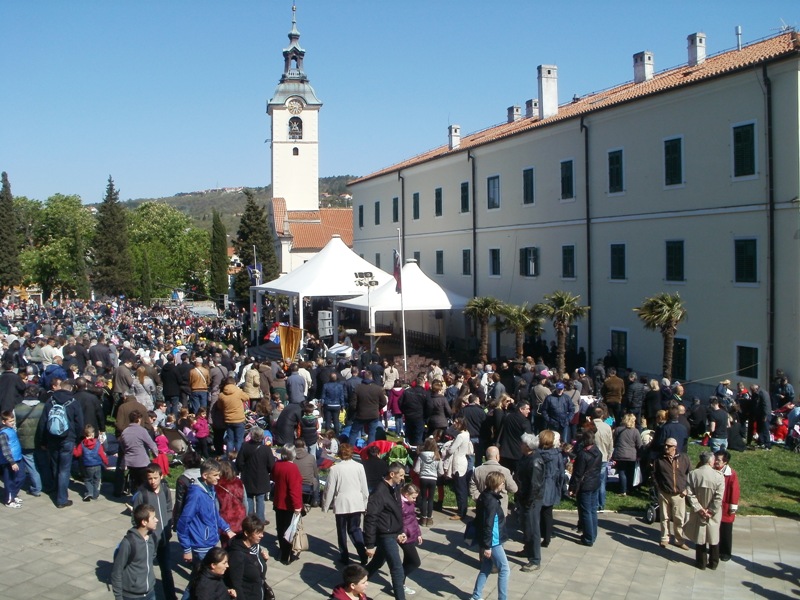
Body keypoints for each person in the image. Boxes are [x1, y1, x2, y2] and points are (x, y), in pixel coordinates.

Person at [177, 459, 235, 575]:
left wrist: (227, 529)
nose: (218, 478)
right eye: (215, 475)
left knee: (203, 578)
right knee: (202, 578)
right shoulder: (196, 495)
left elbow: (214, 514)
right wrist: (187, 549)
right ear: (205, 475)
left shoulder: (210, 489)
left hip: (211, 541)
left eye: (219, 474)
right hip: (201, 544)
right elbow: (183, 522)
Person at [132, 463, 176, 600]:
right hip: (150, 540)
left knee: (166, 570)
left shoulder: (165, 489)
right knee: (147, 570)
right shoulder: (142, 494)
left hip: (164, 538)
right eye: (150, 478)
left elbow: (169, 508)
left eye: (155, 478)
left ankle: (170, 596)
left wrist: (168, 527)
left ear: (161, 476)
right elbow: (135, 518)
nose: (153, 481)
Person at [364, 462, 408, 600]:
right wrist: (370, 544)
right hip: (385, 534)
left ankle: (351, 584)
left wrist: (400, 531)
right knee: (397, 569)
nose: (403, 478)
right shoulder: (379, 492)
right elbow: (370, 518)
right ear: (392, 474)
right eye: (401, 475)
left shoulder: (395, 487)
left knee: (377, 563)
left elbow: (397, 511)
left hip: (392, 531)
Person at [38, 379, 84, 508]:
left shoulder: (50, 401)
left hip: (52, 438)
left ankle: (56, 489)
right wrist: (77, 439)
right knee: (64, 469)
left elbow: (43, 422)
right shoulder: (74, 402)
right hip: (68, 439)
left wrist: (43, 441)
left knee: (55, 466)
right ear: (70, 389)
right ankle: (62, 499)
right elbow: (79, 423)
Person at [323, 442, 370, 565]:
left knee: (342, 530)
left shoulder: (335, 468)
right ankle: (362, 553)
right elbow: (364, 487)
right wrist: (365, 503)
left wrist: (326, 505)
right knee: (355, 529)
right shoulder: (359, 466)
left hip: (342, 503)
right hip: (356, 502)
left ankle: (344, 556)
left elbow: (330, 489)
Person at [470, 471, 510, 600]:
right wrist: (487, 546)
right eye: (502, 482)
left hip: (489, 540)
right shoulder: (491, 501)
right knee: (504, 569)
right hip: (493, 541)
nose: (504, 484)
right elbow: (489, 524)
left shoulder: (485, 495)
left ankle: (476, 596)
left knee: (486, 567)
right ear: (497, 484)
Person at [684, 451, 726, 570]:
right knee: (713, 536)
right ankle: (713, 562)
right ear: (710, 461)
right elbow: (719, 497)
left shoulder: (692, 474)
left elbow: (690, 494)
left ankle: (701, 563)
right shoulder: (718, 476)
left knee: (700, 536)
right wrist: (711, 510)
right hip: (714, 512)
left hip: (699, 511)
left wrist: (699, 509)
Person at [112, 503, 158, 600]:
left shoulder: (152, 538)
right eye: (153, 518)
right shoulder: (128, 543)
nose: (156, 520)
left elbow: (152, 556)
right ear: (144, 522)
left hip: (150, 593)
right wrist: (118, 597)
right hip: (132, 596)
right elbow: (117, 571)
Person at [652, 437, 691, 550]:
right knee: (664, 517)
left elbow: (690, 474)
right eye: (665, 445)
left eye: (668, 446)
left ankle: (679, 540)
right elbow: (654, 474)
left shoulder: (684, 458)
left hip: (679, 494)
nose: (666, 447)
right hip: (664, 493)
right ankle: (664, 538)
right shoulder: (659, 459)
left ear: (675, 447)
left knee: (679, 518)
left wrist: (686, 489)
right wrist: (658, 487)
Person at [568, 429, 603, 547]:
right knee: (592, 510)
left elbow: (578, 473)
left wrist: (572, 487)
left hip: (585, 485)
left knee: (586, 511)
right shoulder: (598, 452)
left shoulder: (583, 455)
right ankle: (592, 534)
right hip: (595, 483)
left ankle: (588, 538)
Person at [515, 432, 544, 571]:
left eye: (522, 444)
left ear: (527, 446)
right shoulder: (525, 457)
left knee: (533, 529)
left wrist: (528, 500)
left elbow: (535, 485)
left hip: (531, 500)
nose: (520, 445)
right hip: (523, 497)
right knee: (526, 526)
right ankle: (527, 549)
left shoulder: (535, 462)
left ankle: (535, 559)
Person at [272, 445, 304, 564]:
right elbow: (294, 489)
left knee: (280, 529)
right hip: (289, 504)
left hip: (278, 501)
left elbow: (273, 477)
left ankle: (282, 551)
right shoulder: (292, 468)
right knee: (289, 531)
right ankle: (286, 555)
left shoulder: (277, 465)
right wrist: (297, 506)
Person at [226, 514, 270, 600]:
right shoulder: (237, 555)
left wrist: (263, 560)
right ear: (246, 533)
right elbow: (236, 585)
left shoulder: (255, 545)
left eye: (262, 532)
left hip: (258, 593)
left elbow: (254, 567)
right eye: (258, 533)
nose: (262, 535)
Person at [236, 426, 275, 522]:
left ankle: (251, 519)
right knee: (260, 499)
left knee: (249, 498)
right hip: (262, 477)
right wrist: (267, 472)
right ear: (262, 437)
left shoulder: (245, 446)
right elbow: (271, 465)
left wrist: (244, 470)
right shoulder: (266, 449)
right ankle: (260, 519)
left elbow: (239, 462)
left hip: (248, 476)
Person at [469, 445, 518, 518]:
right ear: (497, 456)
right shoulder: (505, 471)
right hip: (500, 509)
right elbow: (514, 489)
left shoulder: (477, 470)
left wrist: (479, 498)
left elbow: (472, 488)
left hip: (483, 507)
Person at [120, 410, 160, 493]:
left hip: (130, 462)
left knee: (135, 482)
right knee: (144, 484)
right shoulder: (142, 431)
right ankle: (143, 500)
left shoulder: (125, 432)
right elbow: (151, 444)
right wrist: (156, 454)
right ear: (138, 420)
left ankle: (135, 498)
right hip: (142, 462)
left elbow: (122, 446)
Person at [538, 430, 566, 547]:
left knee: (538, 512)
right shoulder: (557, 454)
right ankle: (547, 537)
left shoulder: (537, 453)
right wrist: (560, 485)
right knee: (548, 513)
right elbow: (561, 473)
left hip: (539, 485)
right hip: (551, 484)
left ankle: (540, 533)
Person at [714, 450, 740, 562]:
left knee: (725, 531)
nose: (716, 461)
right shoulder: (713, 470)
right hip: (715, 505)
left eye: (718, 460)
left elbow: (734, 491)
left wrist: (732, 506)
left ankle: (725, 552)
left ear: (725, 462)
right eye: (715, 459)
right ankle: (715, 549)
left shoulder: (731, 474)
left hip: (725, 506)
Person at [443, 417, 472, 520]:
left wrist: (448, 447)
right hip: (463, 461)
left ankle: (461, 512)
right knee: (462, 487)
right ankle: (463, 508)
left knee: (460, 488)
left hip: (458, 463)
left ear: (460, 424)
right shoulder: (466, 434)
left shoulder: (460, 436)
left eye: (456, 422)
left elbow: (451, 450)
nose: (454, 424)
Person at [349, 371, 387, 446]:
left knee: (354, 432)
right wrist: (377, 408)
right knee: (371, 433)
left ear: (363, 378)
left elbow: (353, 403)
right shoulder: (378, 389)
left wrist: (357, 409)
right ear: (371, 377)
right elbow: (384, 402)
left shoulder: (358, 388)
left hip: (361, 414)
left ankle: (349, 450)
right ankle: (370, 451)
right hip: (373, 414)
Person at [398, 483, 423, 596]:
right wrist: (401, 533)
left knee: (408, 561)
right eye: (413, 497)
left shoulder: (410, 503)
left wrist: (418, 533)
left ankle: (400, 584)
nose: (414, 500)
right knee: (415, 562)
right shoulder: (400, 504)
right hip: (404, 537)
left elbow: (413, 519)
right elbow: (398, 521)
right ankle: (398, 582)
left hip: (412, 534)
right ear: (406, 494)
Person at [73, 423, 108, 501]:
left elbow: (77, 454)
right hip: (98, 465)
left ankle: (90, 492)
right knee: (97, 480)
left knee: (87, 479)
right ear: (93, 434)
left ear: (85, 435)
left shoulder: (82, 444)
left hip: (88, 465)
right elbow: (102, 454)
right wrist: (106, 461)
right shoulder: (98, 443)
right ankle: (96, 494)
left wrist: (73, 448)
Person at [497, 401, 532, 474]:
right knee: (518, 478)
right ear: (521, 409)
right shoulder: (525, 422)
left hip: (504, 452)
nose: (529, 411)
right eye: (527, 409)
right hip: (518, 454)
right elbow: (528, 438)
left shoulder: (507, 417)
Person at [216, 459, 247, 544]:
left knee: (226, 545)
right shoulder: (239, 482)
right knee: (240, 545)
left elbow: (216, 507)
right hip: (240, 518)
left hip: (226, 521)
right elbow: (245, 502)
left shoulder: (217, 486)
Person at [0, 410, 26, 508]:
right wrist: (11, 462)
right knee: (9, 481)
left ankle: (13, 494)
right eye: (10, 421)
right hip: (9, 461)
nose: (12, 423)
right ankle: (9, 500)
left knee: (21, 477)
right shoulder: (3, 433)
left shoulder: (11, 430)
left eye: (13, 420)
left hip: (18, 457)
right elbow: (5, 450)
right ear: (3, 422)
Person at [612, 413, 642, 496]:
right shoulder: (635, 431)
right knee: (630, 472)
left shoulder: (618, 429)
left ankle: (623, 490)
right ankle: (630, 488)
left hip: (620, 454)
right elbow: (639, 444)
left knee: (622, 472)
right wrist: (639, 455)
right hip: (632, 455)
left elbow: (614, 441)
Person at [217, 377, 248, 454]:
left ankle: (229, 457)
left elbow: (219, 406)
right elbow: (247, 397)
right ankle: (238, 456)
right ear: (234, 383)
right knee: (239, 440)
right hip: (239, 419)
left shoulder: (221, 395)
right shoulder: (238, 391)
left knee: (230, 440)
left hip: (228, 420)